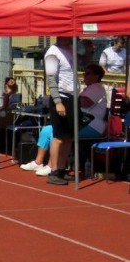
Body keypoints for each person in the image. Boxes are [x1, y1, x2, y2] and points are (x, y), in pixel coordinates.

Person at [21, 63, 108, 175]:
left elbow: (86, 103)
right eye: (84, 73)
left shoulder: (97, 88)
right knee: (47, 129)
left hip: (92, 125)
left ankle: (52, 165)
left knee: (58, 134)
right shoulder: (87, 89)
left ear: (96, 76)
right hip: (80, 122)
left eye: (88, 74)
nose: (84, 76)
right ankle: (38, 162)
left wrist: (68, 101)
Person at [43, 36, 76, 185]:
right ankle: (54, 170)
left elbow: (82, 62)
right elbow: (51, 79)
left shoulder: (71, 49)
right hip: (61, 97)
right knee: (59, 137)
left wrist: (87, 50)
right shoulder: (52, 53)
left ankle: (62, 169)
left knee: (69, 137)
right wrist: (58, 102)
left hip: (72, 97)